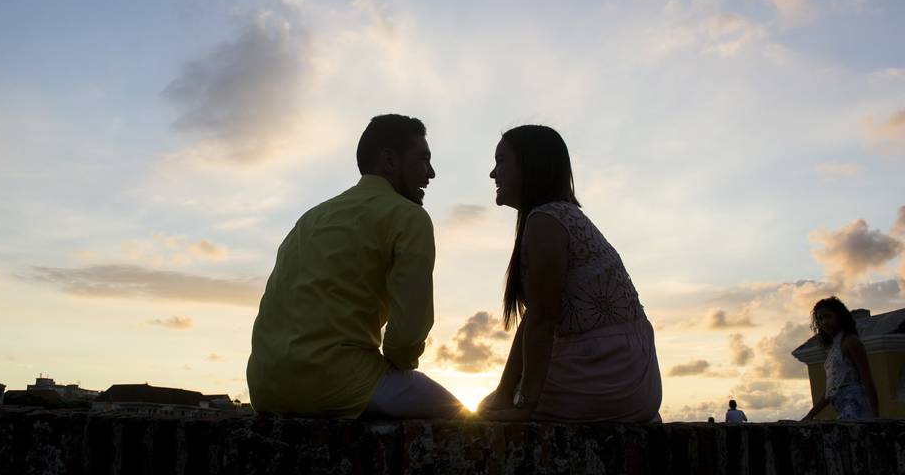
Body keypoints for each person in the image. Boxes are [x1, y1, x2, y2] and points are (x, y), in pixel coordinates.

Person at [246, 114, 465, 419]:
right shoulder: (409, 217)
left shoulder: (311, 217)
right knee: (471, 423)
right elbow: (406, 336)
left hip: (264, 387)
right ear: (390, 160)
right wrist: (398, 364)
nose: (431, 173)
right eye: (423, 159)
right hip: (341, 384)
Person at [477, 125, 662, 423]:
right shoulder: (561, 215)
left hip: (607, 373)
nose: (493, 173)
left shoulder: (545, 220)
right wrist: (504, 395)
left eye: (501, 161)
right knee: (490, 405)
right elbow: (533, 317)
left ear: (529, 166)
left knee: (480, 418)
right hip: (632, 375)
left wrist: (523, 406)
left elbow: (542, 320)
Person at [802, 296, 878, 421]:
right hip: (844, 411)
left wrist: (876, 417)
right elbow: (830, 391)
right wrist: (810, 415)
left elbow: (867, 379)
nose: (824, 322)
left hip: (857, 409)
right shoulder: (834, 348)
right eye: (820, 318)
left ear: (840, 316)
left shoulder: (851, 341)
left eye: (828, 316)